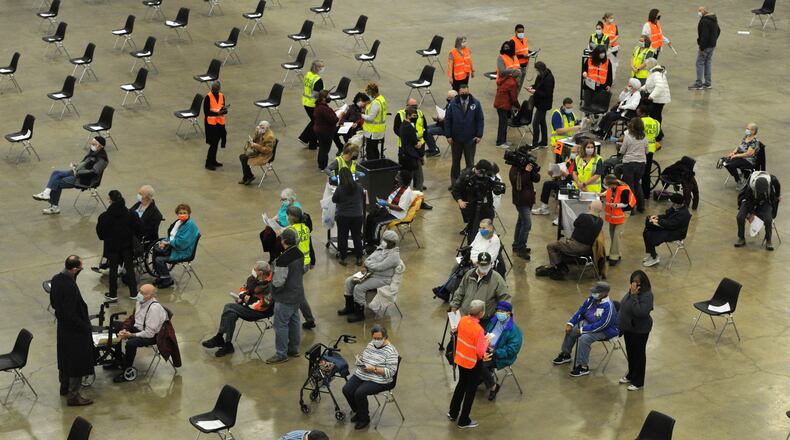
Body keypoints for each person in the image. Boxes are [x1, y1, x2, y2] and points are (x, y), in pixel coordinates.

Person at [202, 261, 274, 357]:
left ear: (261, 272)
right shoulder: (253, 279)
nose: (253, 271)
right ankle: (227, 344)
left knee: (228, 307)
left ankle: (219, 338)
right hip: (249, 306)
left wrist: (246, 302)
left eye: (255, 269)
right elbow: (244, 288)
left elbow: (264, 305)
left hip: (260, 312)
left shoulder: (271, 286)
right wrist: (243, 296)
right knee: (231, 314)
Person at [51, 255, 94, 406]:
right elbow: (71, 313)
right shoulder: (69, 286)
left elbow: (55, 304)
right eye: (80, 268)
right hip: (74, 331)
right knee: (77, 362)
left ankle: (64, 387)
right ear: (75, 269)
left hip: (63, 328)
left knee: (65, 358)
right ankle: (74, 396)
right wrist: (84, 326)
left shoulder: (56, 279)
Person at [552, 281, 618, 377]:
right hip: (591, 323)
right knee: (573, 329)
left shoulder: (608, 306)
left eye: (596, 292)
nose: (593, 294)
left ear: (604, 293)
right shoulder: (592, 299)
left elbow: (603, 325)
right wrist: (570, 323)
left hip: (605, 330)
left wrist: (583, 329)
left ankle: (583, 366)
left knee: (584, 338)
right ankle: (566, 354)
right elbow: (581, 310)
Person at [342, 324, 399, 429]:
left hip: (381, 379)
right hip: (364, 373)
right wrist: (361, 359)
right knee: (347, 389)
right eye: (374, 338)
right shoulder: (371, 344)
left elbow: (391, 372)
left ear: (385, 337)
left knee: (359, 393)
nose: (376, 340)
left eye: (379, 338)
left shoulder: (391, 352)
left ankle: (364, 418)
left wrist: (374, 369)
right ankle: (359, 412)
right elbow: (366, 355)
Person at [33, 136, 109, 215]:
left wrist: (79, 172)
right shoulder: (94, 153)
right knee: (55, 173)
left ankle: (54, 207)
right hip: (78, 173)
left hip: (85, 179)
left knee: (57, 182)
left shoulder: (102, 159)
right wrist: (76, 166)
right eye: (92, 143)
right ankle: (46, 193)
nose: (92, 145)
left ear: (101, 146)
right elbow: (85, 163)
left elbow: (93, 172)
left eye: (94, 144)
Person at [339, 230, 401, 323]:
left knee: (359, 287)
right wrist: (365, 265)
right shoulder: (383, 246)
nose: (384, 242)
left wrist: (367, 264)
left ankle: (359, 313)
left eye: (387, 241)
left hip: (382, 279)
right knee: (349, 281)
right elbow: (370, 257)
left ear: (393, 242)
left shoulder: (394, 256)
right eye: (384, 240)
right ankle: (349, 307)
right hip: (371, 273)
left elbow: (380, 267)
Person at [111, 284, 167, 383]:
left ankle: (126, 370)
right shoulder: (140, 302)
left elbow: (149, 333)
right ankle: (118, 359)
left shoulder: (154, 309)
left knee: (131, 344)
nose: (139, 294)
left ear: (150, 296)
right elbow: (133, 318)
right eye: (139, 291)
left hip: (152, 336)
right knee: (115, 326)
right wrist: (124, 329)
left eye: (142, 293)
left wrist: (130, 335)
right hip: (139, 328)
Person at [448, 299, 487, 429]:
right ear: (481, 313)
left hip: (461, 359)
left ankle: (453, 412)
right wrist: (486, 344)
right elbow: (480, 352)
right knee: (470, 391)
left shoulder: (463, 320)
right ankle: (464, 420)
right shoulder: (479, 329)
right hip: (473, 363)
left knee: (461, 385)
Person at [538, 202, 604, 280]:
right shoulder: (600, 221)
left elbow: (575, 224)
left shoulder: (583, 216)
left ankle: (559, 268)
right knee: (561, 242)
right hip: (588, 249)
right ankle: (561, 265)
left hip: (576, 246)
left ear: (589, 207)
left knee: (551, 246)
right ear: (600, 210)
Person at [267, 228, 304, 364]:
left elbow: (278, 282)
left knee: (281, 325)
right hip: (297, 294)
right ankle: (294, 349)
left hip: (285, 297)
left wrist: (273, 290)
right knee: (294, 321)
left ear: (284, 241)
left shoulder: (283, 259)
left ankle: (281, 353)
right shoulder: (299, 253)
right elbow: (303, 270)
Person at [96, 190, 139, 302]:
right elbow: (138, 229)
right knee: (129, 268)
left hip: (112, 246)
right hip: (127, 246)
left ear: (110, 200)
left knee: (113, 270)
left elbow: (100, 234)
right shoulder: (131, 214)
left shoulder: (104, 217)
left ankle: (113, 294)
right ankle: (134, 293)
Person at [618, 270, 654, 391]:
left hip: (640, 330)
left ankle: (638, 381)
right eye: (633, 283)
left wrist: (634, 296)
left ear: (643, 284)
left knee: (638, 354)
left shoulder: (647, 295)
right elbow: (624, 305)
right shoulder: (632, 291)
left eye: (637, 284)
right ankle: (631, 374)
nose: (634, 286)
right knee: (631, 352)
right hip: (629, 328)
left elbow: (640, 312)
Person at [451, 160, 502, 244]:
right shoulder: (466, 176)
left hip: (486, 206)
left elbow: (496, 185)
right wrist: (460, 201)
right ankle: (471, 249)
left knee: (487, 230)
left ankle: (486, 248)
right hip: (472, 207)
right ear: (479, 170)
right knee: (472, 231)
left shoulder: (487, 175)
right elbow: (456, 189)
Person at [480, 301, 523, 401]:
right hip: (487, 348)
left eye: (502, 311)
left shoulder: (514, 331)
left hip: (500, 355)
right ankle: (482, 377)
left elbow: (512, 350)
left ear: (508, 313)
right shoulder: (494, 321)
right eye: (498, 310)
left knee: (480, 364)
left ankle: (493, 387)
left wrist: (495, 352)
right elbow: (486, 331)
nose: (499, 313)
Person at [282, 206, 316, 329]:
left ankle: (307, 318)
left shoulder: (290, 231)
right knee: (296, 290)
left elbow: (285, 248)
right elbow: (310, 245)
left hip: (296, 265)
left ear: (290, 217)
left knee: (297, 293)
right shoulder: (305, 228)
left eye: (287, 215)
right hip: (305, 263)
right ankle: (308, 318)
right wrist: (313, 261)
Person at [449, 252, 510, 321]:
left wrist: (501, 315)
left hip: (483, 320)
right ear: (477, 263)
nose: (484, 268)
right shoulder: (469, 274)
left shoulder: (497, 279)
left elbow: (505, 298)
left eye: (486, 266)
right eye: (482, 265)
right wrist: (454, 306)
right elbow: (460, 291)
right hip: (465, 317)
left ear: (491, 264)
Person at [152, 203, 200, 288]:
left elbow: (182, 243)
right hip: (175, 248)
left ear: (189, 213)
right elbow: (172, 236)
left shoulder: (190, 225)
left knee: (159, 259)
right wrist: (164, 242)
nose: (182, 215)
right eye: (180, 213)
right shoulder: (179, 222)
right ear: (177, 214)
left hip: (183, 251)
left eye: (184, 213)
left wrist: (168, 243)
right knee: (156, 251)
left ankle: (167, 279)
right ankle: (161, 276)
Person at [445, 84, 485, 184]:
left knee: (470, 163)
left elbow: (480, 120)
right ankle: (455, 183)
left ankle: (469, 183)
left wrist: (479, 135)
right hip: (456, 139)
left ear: (468, 91)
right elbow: (447, 120)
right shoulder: (453, 104)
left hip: (470, 139)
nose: (464, 94)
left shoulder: (475, 103)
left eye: (466, 92)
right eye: (462, 93)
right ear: (459, 92)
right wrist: (448, 135)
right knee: (455, 162)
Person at [364, 169, 415, 246]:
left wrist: (386, 204)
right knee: (370, 217)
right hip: (388, 210)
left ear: (402, 179)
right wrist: (382, 203)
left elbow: (400, 208)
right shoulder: (399, 187)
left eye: (399, 176)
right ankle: (368, 239)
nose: (396, 177)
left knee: (377, 223)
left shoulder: (407, 192)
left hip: (396, 214)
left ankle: (374, 244)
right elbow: (391, 198)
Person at [642, 193, 692, 267]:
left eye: (673, 203)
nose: (672, 205)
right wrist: (657, 217)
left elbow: (671, 224)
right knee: (647, 230)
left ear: (678, 204)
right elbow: (666, 216)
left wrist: (658, 222)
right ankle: (652, 254)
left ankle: (654, 258)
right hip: (669, 228)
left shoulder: (684, 214)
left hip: (676, 233)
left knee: (651, 235)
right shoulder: (676, 207)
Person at [735, 171, 781, 251]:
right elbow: (748, 200)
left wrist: (778, 196)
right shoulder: (750, 185)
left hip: (765, 201)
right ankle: (741, 238)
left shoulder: (772, 180)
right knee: (740, 217)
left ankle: (768, 240)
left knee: (768, 219)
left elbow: (778, 187)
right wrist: (751, 213)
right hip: (750, 200)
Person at [509, 152, 540, 259]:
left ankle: (516, 245)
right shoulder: (514, 169)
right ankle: (521, 249)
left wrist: (532, 170)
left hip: (529, 199)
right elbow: (518, 185)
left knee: (521, 222)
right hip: (521, 201)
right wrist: (526, 172)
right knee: (527, 224)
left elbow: (537, 179)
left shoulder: (527, 167)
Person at [533, 144, 579, 215]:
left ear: (579, 153)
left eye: (574, 152)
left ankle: (561, 215)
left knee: (560, 187)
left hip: (574, 184)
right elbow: (563, 168)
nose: (572, 154)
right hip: (565, 180)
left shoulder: (580, 163)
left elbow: (577, 178)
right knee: (547, 184)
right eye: (571, 152)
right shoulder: (570, 161)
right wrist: (553, 172)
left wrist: (565, 175)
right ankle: (544, 207)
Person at [333, 167, 365, 266]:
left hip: (343, 216)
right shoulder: (359, 187)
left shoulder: (340, 188)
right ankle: (359, 258)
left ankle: (343, 258)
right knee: (357, 236)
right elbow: (361, 196)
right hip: (357, 216)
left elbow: (334, 200)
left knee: (343, 237)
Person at [260, 188, 302, 261]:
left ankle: (277, 255)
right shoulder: (285, 204)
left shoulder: (296, 209)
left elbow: (296, 224)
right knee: (264, 234)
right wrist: (270, 220)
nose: (282, 201)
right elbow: (279, 214)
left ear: (291, 198)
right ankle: (272, 253)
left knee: (277, 242)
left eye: (284, 199)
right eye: (281, 199)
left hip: (290, 229)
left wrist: (283, 229)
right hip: (280, 226)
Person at [603, 175, 636, 266]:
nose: (607, 187)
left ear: (613, 183)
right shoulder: (613, 186)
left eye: (608, 185)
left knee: (617, 235)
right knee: (612, 233)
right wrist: (603, 194)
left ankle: (614, 256)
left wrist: (616, 205)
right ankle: (616, 253)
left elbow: (625, 204)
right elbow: (610, 191)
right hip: (614, 214)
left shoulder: (624, 189)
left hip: (623, 213)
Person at [619, 117, 649, 212]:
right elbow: (647, 151)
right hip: (641, 164)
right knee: (637, 184)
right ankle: (641, 206)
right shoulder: (644, 137)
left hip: (629, 164)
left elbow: (622, 151)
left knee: (630, 186)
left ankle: (631, 209)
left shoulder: (628, 137)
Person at [722, 123, 761, 190]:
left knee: (731, 165)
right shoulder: (746, 137)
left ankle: (739, 181)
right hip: (741, 157)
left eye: (748, 129)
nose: (746, 130)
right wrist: (733, 153)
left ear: (753, 131)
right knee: (724, 161)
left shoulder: (755, 141)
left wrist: (736, 155)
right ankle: (738, 176)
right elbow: (739, 147)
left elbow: (748, 154)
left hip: (748, 160)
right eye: (747, 128)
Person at [397, 106, 427, 192]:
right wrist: (422, 155)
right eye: (413, 116)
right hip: (412, 157)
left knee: (408, 180)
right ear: (408, 115)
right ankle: (418, 200)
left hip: (407, 156)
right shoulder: (408, 127)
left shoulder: (403, 125)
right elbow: (416, 144)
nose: (415, 118)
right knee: (419, 180)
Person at [690, 6, 720, 90]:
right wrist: (713, 41)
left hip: (705, 47)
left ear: (704, 11)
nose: (698, 12)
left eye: (700, 10)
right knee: (708, 63)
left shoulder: (704, 21)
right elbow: (718, 31)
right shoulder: (713, 19)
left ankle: (699, 83)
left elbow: (704, 36)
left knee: (699, 63)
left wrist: (702, 47)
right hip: (712, 46)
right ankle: (707, 83)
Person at [641, 58, 670, 142]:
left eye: (646, 64)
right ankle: (659, 133)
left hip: (659, 99)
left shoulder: (656, 73)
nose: (645, 66)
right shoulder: (653, 72)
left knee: (655, 116)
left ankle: (658, 135)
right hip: (658, 98)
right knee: (655, 116)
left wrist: (651, 96)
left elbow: (659, 86)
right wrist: (640, 89)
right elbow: (649, 84)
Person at [526, 61, 554, 148]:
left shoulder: (549, 79)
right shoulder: (540, 76)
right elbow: (537, 85)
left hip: (544, 104)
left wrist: (535, 91)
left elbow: (547, 94)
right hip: (539, 102)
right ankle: (544, 142)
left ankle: (535, 144)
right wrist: (532, 87)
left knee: (535, 123)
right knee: (542, 122)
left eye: (537, 70)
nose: (536, 72)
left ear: (540, 70)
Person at [298, 60, 325, 150]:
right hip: (313, 103)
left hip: (306, 101)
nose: (323, 69)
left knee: (314, 121)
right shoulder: (317, 80)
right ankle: (308, 140)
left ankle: (308, 141)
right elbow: (317, 94)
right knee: (316, 122)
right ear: (318, 68)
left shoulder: (308, 74)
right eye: (322, 68)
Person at [239, 120, 275, 185]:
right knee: (242, 157)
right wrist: (256, 133)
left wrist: (256, 146)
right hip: (258, 151)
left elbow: (267, 150)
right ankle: (249, 176)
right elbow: (255, 140)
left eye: (262, 127)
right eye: (260, 126)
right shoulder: (262, 131)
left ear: (267, 128)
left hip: (265, 155)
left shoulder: (270, 136)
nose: (260, 128)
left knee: (244, 158)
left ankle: (247, 177)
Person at [424, 90, 458, 156]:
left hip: (448, 128)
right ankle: (432, 148)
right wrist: (437, 119)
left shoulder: (456, 107)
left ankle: (434, 150)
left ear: (455, 98)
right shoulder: (449, 104)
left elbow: (453, 121)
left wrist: (443, 120)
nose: (448, 99)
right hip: (441, 124)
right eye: (448, 97)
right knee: (424, 129)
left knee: (428, 132)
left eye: (450, 98)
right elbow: (444, 114)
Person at [203, 81, 228, 170]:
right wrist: (217, 113)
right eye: (214, 89)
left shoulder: (221, 96)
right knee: (213, 144)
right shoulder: (208, 97)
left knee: (216, 142)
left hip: (219, 123)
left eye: (217, 89)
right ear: (212, 89)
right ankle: (208, 163)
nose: (215, 91)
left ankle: (213, 160)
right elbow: (206, 112)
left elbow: (223, 108)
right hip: (211, 124)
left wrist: (224, 111)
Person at [312, 90, 339, 171]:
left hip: (319, 130)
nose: (329, 98)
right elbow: (334, 120)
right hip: (325, 132)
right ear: (324, 98)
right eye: (328, 97)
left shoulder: (319, 106)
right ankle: (323, 167)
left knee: (322, 148)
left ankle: (321, 165)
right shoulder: (323, 109)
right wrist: (340, 115)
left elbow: (325, 115)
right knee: (325, 150)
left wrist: (332, 111)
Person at [494, 69, 520, 149]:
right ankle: (500, 142)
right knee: (503, 124)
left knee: (504, 123)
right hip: (503, 105)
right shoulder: (512, 83)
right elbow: (514, 98)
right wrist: (518, 106)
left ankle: (503, 140)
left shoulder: (508, 79)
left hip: (500, 103)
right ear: (518, 77)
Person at [637, 106, 661, 192]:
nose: (637, 113)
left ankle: (636, 191)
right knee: (647, 173)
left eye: (638, 112)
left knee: (636, 172)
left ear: (643, 113)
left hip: (640, 149)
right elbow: (658, 134)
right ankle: (646, 193)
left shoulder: (639, 121)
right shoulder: (656, 122)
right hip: (651, 149)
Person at [360, 82, 387, 159]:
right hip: (379, 129)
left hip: (373, 131)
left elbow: (370, 118)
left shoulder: (375, 103)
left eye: (368, 94)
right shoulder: (381, 99)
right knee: (374, 148)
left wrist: (361, 115)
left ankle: (372, 165)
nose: (368, 96)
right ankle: (376, 163)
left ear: (373, 93)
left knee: (370, 150)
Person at [549, 98, 580, 162]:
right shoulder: (557, 114)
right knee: (559, 163)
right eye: (568, 107)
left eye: (571, 107)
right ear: (563, 106)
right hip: (558, 144)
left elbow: (576, 123)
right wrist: (572, 128)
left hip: (568, 143)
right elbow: (558, 131)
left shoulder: (572, 114)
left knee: (572, 162)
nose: (570, 109)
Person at [602, 13, 620, 79]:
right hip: (604, 48)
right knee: (604, 64)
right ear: (606, 18)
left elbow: (617, 35)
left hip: (613, 48)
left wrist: (611, 42)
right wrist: (606, 43)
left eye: (612, 18)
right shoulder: (602, 26)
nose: (612, 19)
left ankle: (611, 79)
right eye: (610, 18)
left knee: (613, 65)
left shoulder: (614, 26)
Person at [511, 24, 530, 89]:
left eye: (522, 32)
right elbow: (511, 55)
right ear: (515, 32)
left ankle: (516, 98)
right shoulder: (512, 42)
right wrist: (522, 56)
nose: (521, 33)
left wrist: (531, 53)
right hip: (517, 68)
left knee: (520, 85)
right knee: (515, 85)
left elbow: (525, 50)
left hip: (524, 66)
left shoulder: (525, 39)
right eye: (519, 32)